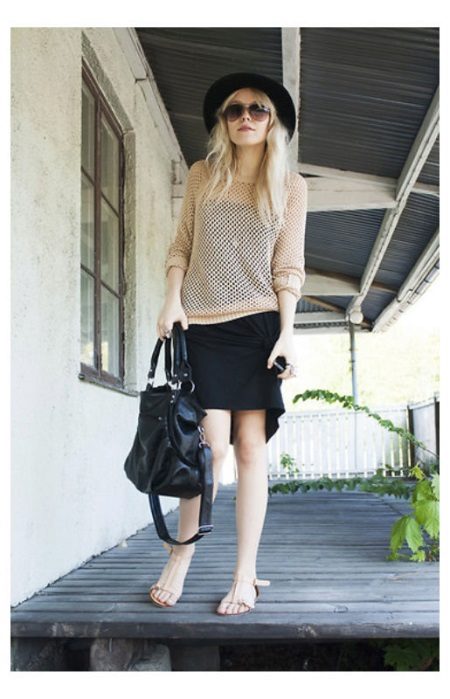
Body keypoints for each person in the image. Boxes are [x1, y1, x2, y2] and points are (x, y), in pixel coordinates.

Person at [150, 72, 308, 615]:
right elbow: (181, 245)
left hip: (259, 327)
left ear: (273, 122)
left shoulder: (291, 186)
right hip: (202, 326)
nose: (246, 117)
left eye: (257, 109)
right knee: (209, 448)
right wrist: (171, 300)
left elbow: (288, 267)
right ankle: (181, 556)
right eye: (235, 109)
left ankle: (245, 574)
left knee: (250, 449)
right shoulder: (202, 175)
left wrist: (288, 333)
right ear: (223, 121)